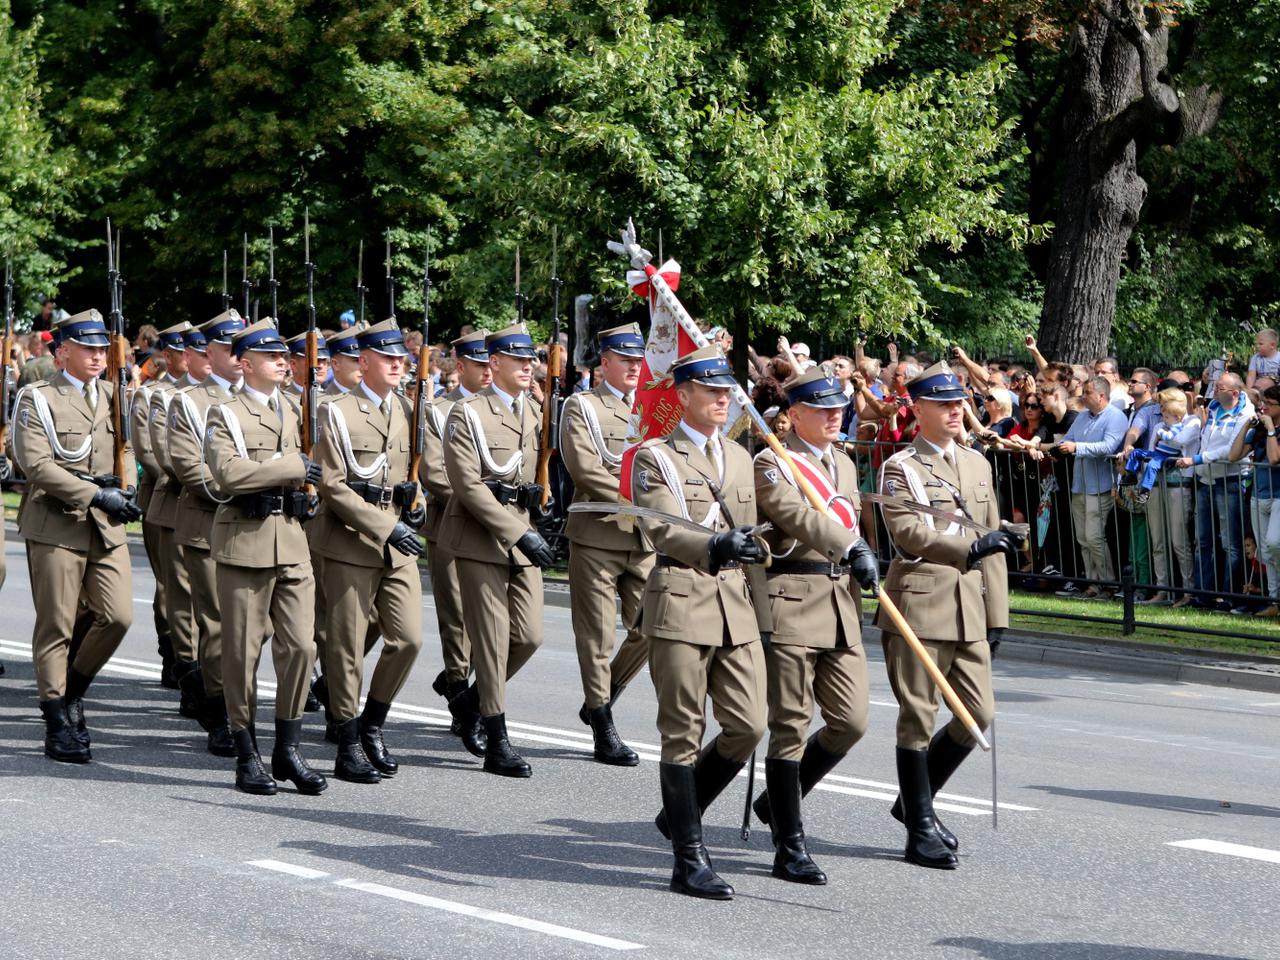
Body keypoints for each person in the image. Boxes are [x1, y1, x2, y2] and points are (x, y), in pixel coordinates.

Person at [629, 344, 771, 900]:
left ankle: (678, 813)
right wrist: (715, 543)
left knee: (747, 724)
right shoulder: (654, 457)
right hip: (682, 601)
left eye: (726, 391)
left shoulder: (739, 457)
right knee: (682, 732)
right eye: (710, 391)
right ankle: (688, 857)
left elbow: (755, 530)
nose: (722, 399)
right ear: (683, 395)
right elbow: (662, 529)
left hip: (735, 607)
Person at [876, 361, 1017, 869]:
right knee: (918, 717)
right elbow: (910, 534)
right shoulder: (902, 468)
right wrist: (972, 546)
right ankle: (919, 828)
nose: (957, 411)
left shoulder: (977, 463)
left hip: (971, 607)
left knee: (978, 713)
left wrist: (997, 613)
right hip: (921, 603)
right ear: (919, 409)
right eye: (944, 403)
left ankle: (913, 801)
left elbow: (995, 535)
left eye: (959, 402)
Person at [749, 368, 879, 885]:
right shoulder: (772, 461)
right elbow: (796, 517)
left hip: (839, 601)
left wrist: (856, 552)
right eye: (822, 409)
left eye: (838, 407)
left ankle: (777, 802)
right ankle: (789, 844)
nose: (834, 416)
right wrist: (852, 547)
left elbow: (846, 516)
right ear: (793, 414)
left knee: (851, 721)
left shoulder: (843, 465)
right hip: (792, 598)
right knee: (789, 729)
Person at [204, 319, 326, 796]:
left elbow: (312, 469)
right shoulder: (225, 413)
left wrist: (306, 493)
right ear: (245, 362)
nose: (282, 361)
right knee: (242, 653)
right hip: (245, 544)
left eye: (283, 355)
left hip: (291, 542)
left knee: (301, 647)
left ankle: (287, 748)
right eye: (270, 355)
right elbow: (230, 474)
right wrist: (291, 467)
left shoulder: (297, 410)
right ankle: (246, 751)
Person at [12, 309, 141, 762]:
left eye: (102, 349)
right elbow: (38, 465)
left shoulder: (115, 394)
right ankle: (56, 720)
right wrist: (95, 494)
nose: (98, 356)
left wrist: (128, 489)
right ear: (62, 351)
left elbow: (127, 450)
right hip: (56, 522)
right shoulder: (38, 397)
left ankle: (72, 691)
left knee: (118, 615)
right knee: (57, 625)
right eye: (88, 348)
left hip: (105, 526)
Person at [311, 319, 425, 782]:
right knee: (344, 648)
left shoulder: (408, 409)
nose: (398, 364)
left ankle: (372, 722)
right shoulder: (335, 411)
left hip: (395, 541)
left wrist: (415, 506)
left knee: (409, 638)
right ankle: (346, 737)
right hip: (348, 540)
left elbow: (413, 474)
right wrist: (386, 525)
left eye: (401, 358)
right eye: (387, 357)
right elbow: (333, 486)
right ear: (364, 361)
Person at [440, 323, 554, 778]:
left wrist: (537, 506)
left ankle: (468, 700)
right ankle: (497, 741)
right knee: (489, 640)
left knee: (528, 635)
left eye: (531, 360)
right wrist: (517, 530)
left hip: (520, 528)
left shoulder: (534, 410)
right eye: (518, 359)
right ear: (495, 364)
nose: (529, 367)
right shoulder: (467, 413)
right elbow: (467, 484)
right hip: (479, 535)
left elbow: (531, 474)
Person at [559, 322, 655, 765]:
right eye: (626, 360)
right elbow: (585, 468)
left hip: (647, 538)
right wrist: (636, 500)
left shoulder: (656, 409)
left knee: (653, 627)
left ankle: (603, 692)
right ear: (605, 363)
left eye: (639, 360)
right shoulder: (583, 406)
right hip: (599, 535)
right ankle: (602, 724)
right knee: (596, 637)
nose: (636, 367)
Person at [166, 310, 246, 755]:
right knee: (217, 625)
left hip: (257, 529)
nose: (237, 357)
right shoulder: (188, 402)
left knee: (260, 626)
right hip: (207, 523)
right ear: (208, 354)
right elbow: (188, 464)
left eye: (242, 348)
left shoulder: (269, 398)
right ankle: (219, 712)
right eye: (226, 348)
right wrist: (241, 487)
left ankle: (214, 687)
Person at [421, 330, 489, 750]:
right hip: (450, 522)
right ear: (460, 367)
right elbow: (434, 471)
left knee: (490, 621)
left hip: (493, 529)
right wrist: (478, 504)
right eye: (480, 364)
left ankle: (471, 694)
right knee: (456, 617)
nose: (487, 371)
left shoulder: (504, 409)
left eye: (490, 364)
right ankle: (461, 700)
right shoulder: (438, 411)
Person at [142, 321, 198, 708]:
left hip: (204, 501)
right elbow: (151, 451)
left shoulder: (206, 396)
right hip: (166, 498)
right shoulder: (154, 395)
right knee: (172, 587)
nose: (184, 357)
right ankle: (176, 657)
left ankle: (192, 663)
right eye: (179, 350)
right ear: (170, 354)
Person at [1183, 373, 1253, 610]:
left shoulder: (1245, 414)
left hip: (1229, 481)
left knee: (1230, 543)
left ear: (1234, 392)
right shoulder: (1212, 409)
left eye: (1220, 387)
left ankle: (1229, 596)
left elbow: (1230, 449)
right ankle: (1203, 594)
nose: (1214, 390)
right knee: (1203, 541)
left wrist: (1198, 459)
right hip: (1205, 480)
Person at [1055, 376, 1127, 599]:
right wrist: (1058, 448)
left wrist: (1076, 447)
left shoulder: (1116, 417)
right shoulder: (1083, 417)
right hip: (1080, 484)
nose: (1082, 397)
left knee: (1095, 536)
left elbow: (1108, 446)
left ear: (1101, 395)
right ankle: (1092, 583)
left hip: (1101, 486)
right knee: (1083, 538)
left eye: (1087, 393)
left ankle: (1109, 583)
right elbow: (1067, 439)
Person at [1229, 384, 1280, 617]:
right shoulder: (1259, 429)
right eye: (1264, 403)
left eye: (1270, 404)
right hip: (1258, 497)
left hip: (1278, 495)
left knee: (1274, 543)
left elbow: (1273, 458)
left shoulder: (1270, 429)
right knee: (1266, 553)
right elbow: (1233, 455)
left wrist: (1271, 429)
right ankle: (1274, 601)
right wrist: (1245, 427)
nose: (1264, 407)